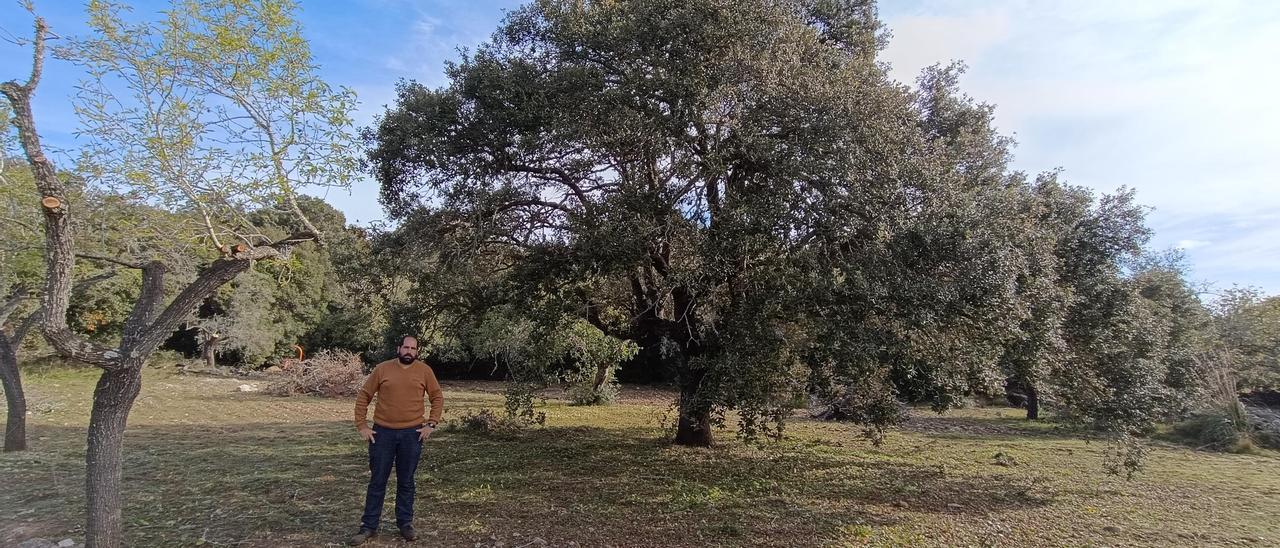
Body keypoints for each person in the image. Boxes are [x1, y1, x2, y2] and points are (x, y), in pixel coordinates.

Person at [349, 335, 444, 545]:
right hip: (383, 434)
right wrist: (362, 426)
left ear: (417, 351)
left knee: (407, 482)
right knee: (377, 481)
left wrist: (431, 424)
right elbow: (364, 396)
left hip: (412, 434)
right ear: (398, 348)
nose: (409, 351)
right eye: (406, 347)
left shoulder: (425, 371)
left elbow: (437, 397)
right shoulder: (382, 369)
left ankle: (405, 524)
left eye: (413, 348)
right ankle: (368, 527)